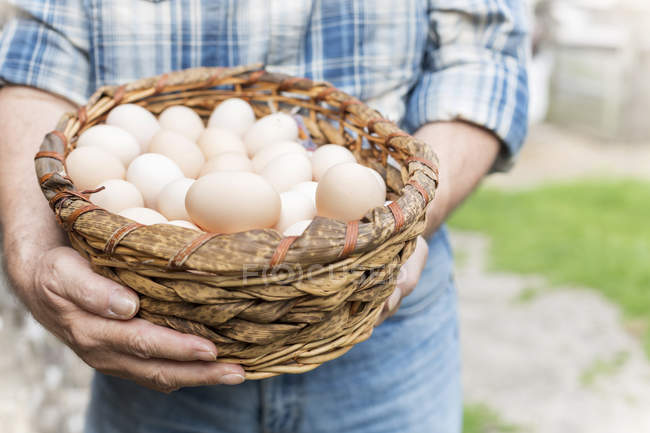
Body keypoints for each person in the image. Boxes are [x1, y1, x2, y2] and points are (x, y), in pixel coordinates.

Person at [0, 1, 528, 432]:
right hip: (158, 312)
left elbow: (483, 58)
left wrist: (401, 225)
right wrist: (30, 247)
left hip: (378, 313)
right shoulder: (182, 165)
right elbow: (35, 64)